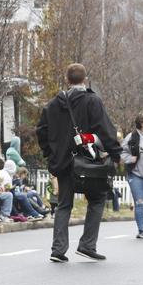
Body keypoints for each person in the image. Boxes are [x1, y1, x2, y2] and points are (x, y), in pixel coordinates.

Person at [36, 63, 122, 262]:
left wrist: (50, 153)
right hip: (89, 163)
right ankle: (87, 245)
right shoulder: (92, 101)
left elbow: (42, 130)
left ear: (67, 80)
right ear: (85, 79)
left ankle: (58, 249)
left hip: (63, 162)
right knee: (97, 199)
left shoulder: (53, 104)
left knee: (64, 204)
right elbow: (105, 130)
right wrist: (116, 154)